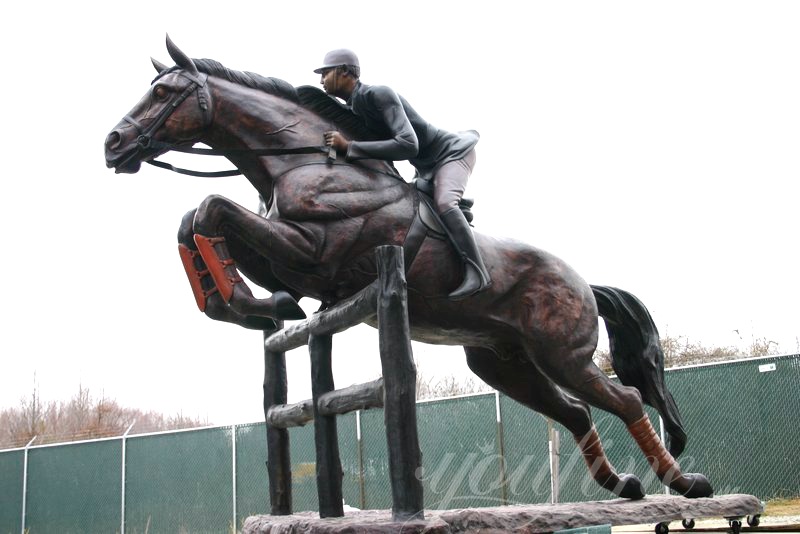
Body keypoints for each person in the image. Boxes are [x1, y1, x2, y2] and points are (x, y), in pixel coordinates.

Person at [314, 49, 491, 300]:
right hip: (426, 167)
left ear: (344, 71)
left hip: (451, 154)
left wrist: (349, 147)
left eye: (325, 73)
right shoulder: (354, 107)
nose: (321, 80)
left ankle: (478, 272)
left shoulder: (378, 94)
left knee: (444, 202)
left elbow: (409, 144)